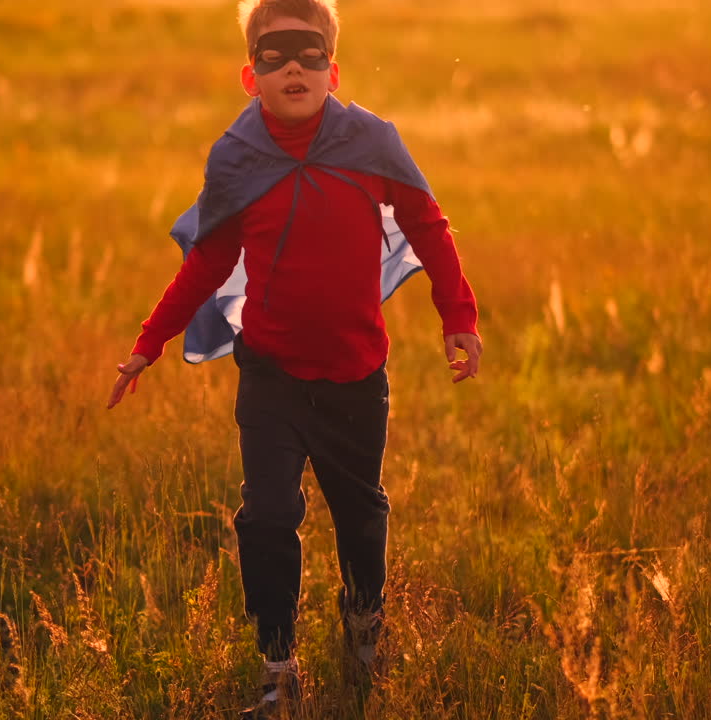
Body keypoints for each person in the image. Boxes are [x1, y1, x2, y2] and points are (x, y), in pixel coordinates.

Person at [107, 0, 482, 715]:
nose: (293, 68)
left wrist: (457, 315)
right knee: (269, 515)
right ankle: (277, 665)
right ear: (250, 76)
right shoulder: (237, 155)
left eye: (309, 54)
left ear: (333, 69)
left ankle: (364, 619)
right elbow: (209, 258)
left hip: (354, 373)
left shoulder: (371, 142)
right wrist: (149, 342)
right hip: (271, 371)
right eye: (275, 56)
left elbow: (427, 224)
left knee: (359, 512)